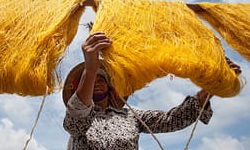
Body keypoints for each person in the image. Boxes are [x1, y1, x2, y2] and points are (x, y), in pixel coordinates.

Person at [62, 32, 241, 150]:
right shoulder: (78, 117)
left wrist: (212, 86)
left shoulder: (130, 116)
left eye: (102, 80)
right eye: (92, 81)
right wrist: (90, 70)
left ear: (111, 88)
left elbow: (172, 120)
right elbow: (75, 121)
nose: (97, 84)